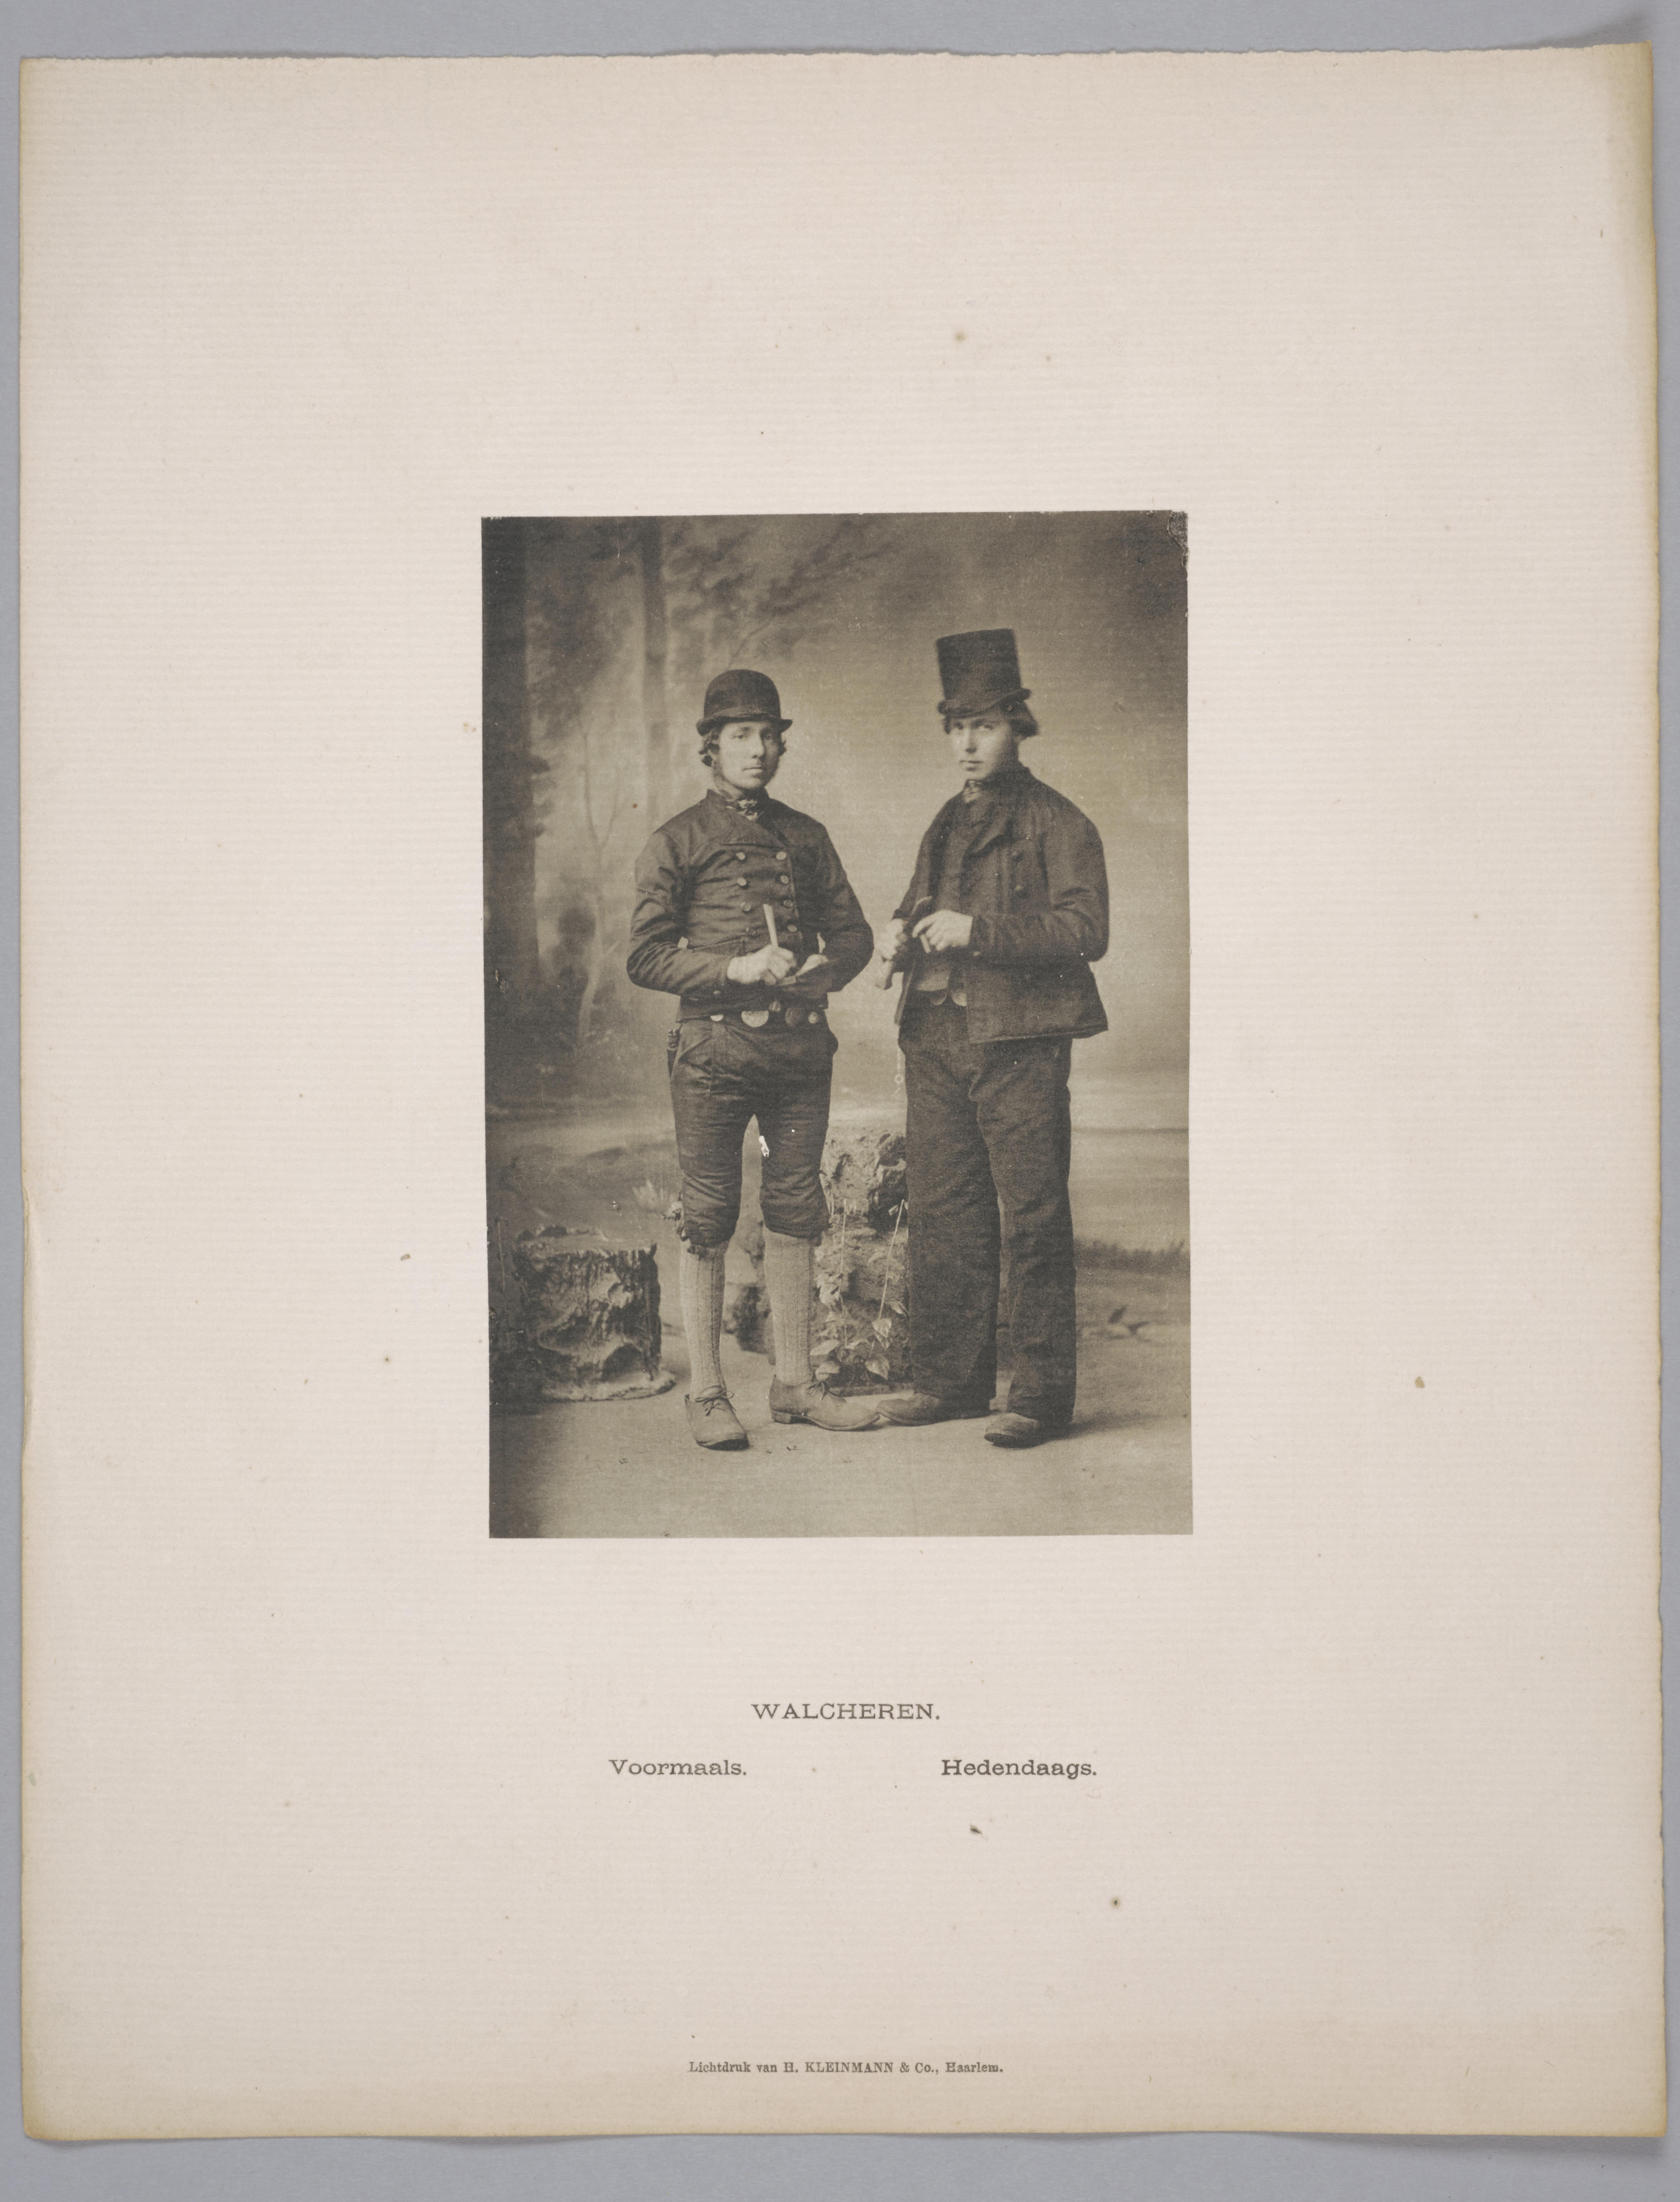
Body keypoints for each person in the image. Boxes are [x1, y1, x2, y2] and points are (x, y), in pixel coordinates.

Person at [627, 668, 882, 1449]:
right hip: (713, 1052)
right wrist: (735, 968)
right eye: (741, 735)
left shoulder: (807, 836)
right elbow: (645, 955)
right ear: (711, 747)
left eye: (769, 736)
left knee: (796, 1207)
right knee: (708, 1215)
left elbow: (855, 934)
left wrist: (825, 970)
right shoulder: (676, 839)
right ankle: (707, 1393)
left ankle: (794, 1385)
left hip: (798, 1052)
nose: (759, 749)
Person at [875, 630, 1109, 1447]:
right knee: (945, 1211)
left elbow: (1086, 930)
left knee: (1033, 1217)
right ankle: (950, 1384)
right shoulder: (947, 820)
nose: (966, 743)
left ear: (1017, 726)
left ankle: (1039, 1399)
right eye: (955, 727)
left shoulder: (1058, 821)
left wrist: (977, 932)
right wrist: (897, 935)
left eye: (983, 725)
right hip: (936, 1036)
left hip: (1019, 1043)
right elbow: (918, 903)